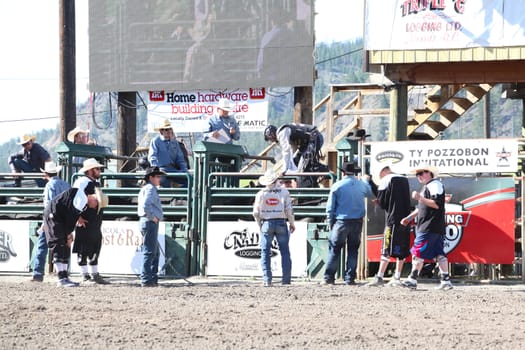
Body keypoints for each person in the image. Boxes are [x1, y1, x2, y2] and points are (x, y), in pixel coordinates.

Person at [400, 165, 453, 291]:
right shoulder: (430, 186)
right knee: (439, 253)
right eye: (417, 174)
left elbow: (436, 204)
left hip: (429, 226)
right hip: (433, 226)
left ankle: (412, 279)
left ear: (429, 173)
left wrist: (419, 198)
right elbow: (422, 207)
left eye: (422, 173)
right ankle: (446, 280)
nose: (419, 176)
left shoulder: (434, 185)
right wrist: (409, 217)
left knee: (417, 252)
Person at [323, 162, 374, 285]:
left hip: (341, 221)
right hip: (357, 221)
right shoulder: (361, 185)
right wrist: (366, 181)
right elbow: (370, 193)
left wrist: (330, 222)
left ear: (343, 172)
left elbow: (330, 208)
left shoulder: (337, 186)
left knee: (335, 250)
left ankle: (329, 278)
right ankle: (349, 278)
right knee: (353, 250)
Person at [43, 183, 99, 287]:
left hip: (57, 215)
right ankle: (61, 278)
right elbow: (71, 215)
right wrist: (69, 233)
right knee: (59, 244)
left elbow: (69, 211)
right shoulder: (82, 200)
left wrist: (68, 232)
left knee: (63, 244)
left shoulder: (81, 197)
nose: (95, 207)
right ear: (94, 200)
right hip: (55, 216)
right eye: (97, 205)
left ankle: (64, 277)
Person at [365, 164, 411, 287]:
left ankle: (379, 276)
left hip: (392, 219)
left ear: (382, 172)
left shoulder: (386, 180)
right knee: (401, 249)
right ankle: (397, 276)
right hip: (405, 219)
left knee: (386, 248)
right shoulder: (404, 179)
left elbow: (382, 203)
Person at [252, 170, 295, 287]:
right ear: (276, 180)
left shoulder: (261, 194)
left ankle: (267, 279)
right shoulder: (284, 192)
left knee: (265, 252)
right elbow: (289, 210)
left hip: (266, 223)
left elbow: (256, 213)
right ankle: (286, 280)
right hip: (281, 222)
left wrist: (260, 225)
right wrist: (292, 223)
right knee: (285, 252)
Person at [30, 161, 71, 282]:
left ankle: (38, 274)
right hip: (63, 220)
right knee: (63, 246)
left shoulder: (49, 186)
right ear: (57, 172)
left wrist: (44, 222)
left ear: (46, 174)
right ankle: (64, 273)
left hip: (51, 219)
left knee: (42, 245)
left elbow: (49, 205)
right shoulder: (66, 184)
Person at [72, 158, 109, 284]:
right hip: (86, 220)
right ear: (89, 171)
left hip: (94, 221)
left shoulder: (93, 183)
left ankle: (94, 273)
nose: (99, 171)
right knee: (83, 248)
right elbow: (74, 199)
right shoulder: (82, 182)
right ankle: (85, 275)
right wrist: (78, 217)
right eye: (97, 169)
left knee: (94, 247)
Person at [138, 167, 166, 287]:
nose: (159, 179)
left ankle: (151, 278)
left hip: (146, 221)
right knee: (150, 251)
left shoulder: (146, 188)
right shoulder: (150, 189)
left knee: (152, 251)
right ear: (151, 177)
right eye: (157, 176)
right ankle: (147, 279)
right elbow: (146, 205)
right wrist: (152, 216)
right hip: (150, 221)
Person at [147, 119, 188, 188]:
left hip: (173, 169)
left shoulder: (174, 142)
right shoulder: (155, 141)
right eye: (166, 130)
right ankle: (170, 197)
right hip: (161, 169)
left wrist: (184, 170)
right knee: (163, 181)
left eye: (170, 129)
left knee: (189, 180)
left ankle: (180, 198)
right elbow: (152, 157)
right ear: (161, 131)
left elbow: (180, 158)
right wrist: (156, 171)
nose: (169, 131)